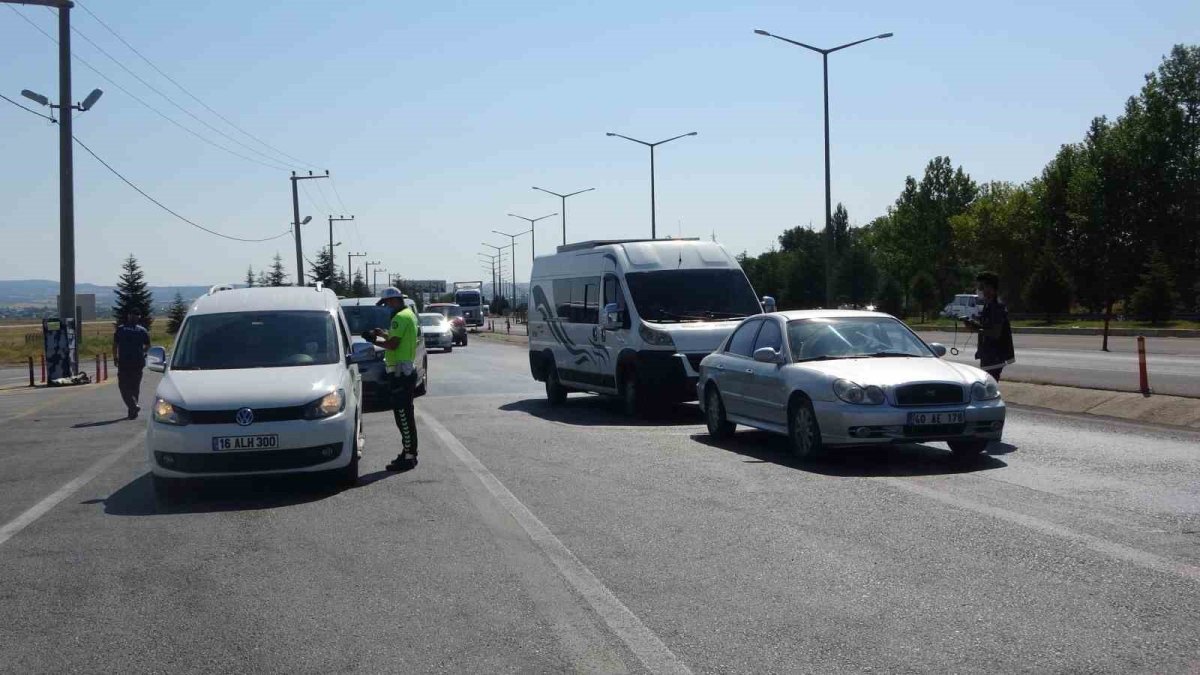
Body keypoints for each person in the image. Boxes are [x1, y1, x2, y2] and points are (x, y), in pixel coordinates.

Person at [367, 288, 419, 471]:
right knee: (406, 414)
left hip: (399, 373)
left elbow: (393, 345)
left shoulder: (399, 318)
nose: (386, 307)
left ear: (393, 301)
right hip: (405, 371)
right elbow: (398, 340)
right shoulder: (409, 314)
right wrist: (382, 334)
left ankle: (409, 455)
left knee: (403, 416)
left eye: (387, 303)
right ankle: (409, 452)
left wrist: (372, 341)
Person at [963, 271, 1015, 381]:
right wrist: (973, 324)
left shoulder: (996, 307)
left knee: (989, 388)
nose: (979, 290)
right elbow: (986, 326)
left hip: (994, 357)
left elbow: (995, 333)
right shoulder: (988, 304)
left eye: (981, 286)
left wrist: (975, 329)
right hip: (988, 355)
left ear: (990, 287)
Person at [113, 310, 151, 419]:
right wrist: (142, 353)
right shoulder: (142, 330)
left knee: (123, 386)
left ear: (129, 316)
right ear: (138, 317)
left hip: (124, 362)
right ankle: (133, 410)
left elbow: (115, 345)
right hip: (138, 362)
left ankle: (133, 407)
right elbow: (148, 346)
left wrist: (115, 357)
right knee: (135, 387)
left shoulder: (121, 329)